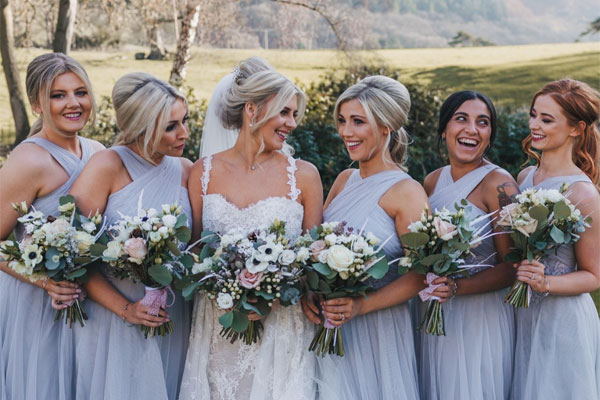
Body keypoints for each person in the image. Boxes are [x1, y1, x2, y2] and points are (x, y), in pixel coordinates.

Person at [179, 56, 323, 400]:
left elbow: (313, 256)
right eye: (284, 113)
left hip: (281, 327)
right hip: (219, 324)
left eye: (294, 115)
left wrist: (274, 289)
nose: (291, 123)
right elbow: (196, 249)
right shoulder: (203, 172)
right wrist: (224, 284)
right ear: (252, 110)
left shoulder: (304, 175)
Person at [68, 72, 192, 400]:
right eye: (171, 126)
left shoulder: (185, 170)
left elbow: (196, 248)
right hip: (115, 320)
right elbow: (75, 257)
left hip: (172, 317)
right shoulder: (107, 165)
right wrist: (127, 309)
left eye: (185, 120)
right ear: (142, 127)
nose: (185, 133)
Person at [303, 75, 426, 400]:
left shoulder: (407, 193)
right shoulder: (344, 179)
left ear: (386, 126)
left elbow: (420, 276)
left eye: (358, 121)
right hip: (329, 324)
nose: (346, 131)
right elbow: (317, 245)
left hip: (378, 331)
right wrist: (313, 291)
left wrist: (360, 305)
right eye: (342, 121)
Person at [0, 52, 103, 400]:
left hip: (90, 304)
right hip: (37, 306)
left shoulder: (98, 153)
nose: (73, 103)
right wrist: (45, 282)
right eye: (58, 95)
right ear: (36, 104)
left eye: (80, 92)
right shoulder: (28, 161)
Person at [419, 91, 516, 399]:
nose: (472, 129)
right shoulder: (431, 182)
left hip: (480, 318)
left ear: (489, 135)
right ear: (445, 128)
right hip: (433, 314)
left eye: (483, 122)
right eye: (462, 118)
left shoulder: (500, 185)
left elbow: (512, 267)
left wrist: (458, 287)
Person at [511, 79, 600, 399]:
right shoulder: (524, 177)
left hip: (562, 319)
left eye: (546, 120)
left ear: (576, 128)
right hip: (523, 314)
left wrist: (545, 283)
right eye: (534, 115)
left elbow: (593, 276)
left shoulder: (582, 192)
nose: (534, 125)